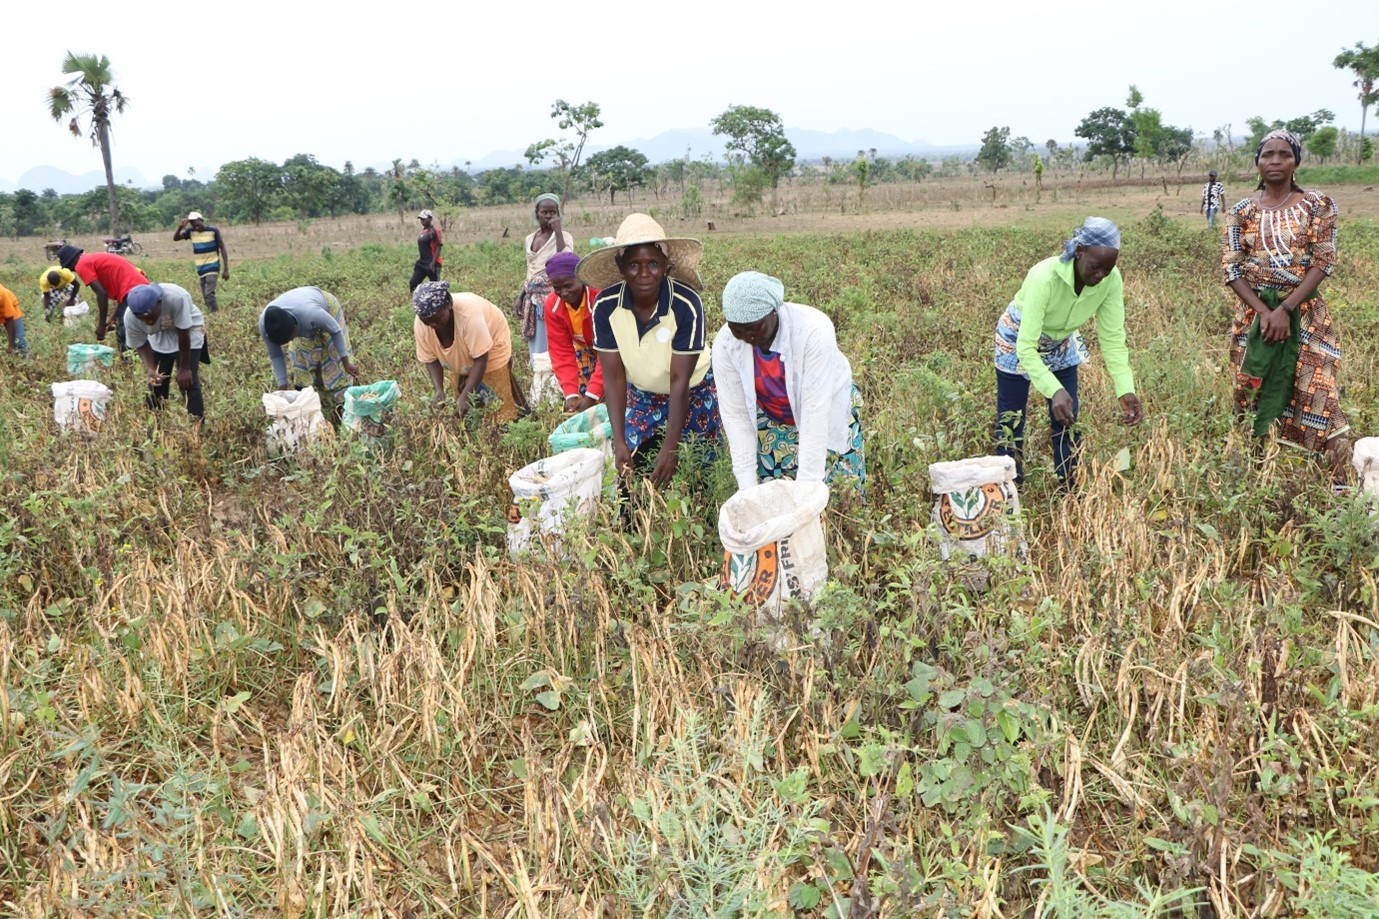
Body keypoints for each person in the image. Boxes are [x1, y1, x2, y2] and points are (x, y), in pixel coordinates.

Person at [1223, 129, 1350, 485]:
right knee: (1252, 394)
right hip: (1254, 319)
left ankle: (1342, 491)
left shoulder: (1317, 205)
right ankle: (1257, 481)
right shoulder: (1241, 211)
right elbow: (1231, 269)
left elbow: (1323, 261)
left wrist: (1286, 308)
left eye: (1284, 154)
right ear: (1257, 162)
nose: (1275, 161)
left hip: (1306, 317)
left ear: (1296, 161)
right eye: (1267, 155)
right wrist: (1266, 313)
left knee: (1321, 396)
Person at [992, 217, 1144, 486]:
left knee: (1067, 418)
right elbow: (1026, 348)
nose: (1101, 276)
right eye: (1095, 267)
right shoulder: (1044, 276)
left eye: (1108, 269)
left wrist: (1125, 388)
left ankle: (1069, 486)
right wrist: (1053, 389)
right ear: (1079, 251)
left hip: (1061, 341)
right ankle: (1009, 492)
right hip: (1018, 338)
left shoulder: (1110, 280)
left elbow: (1112, 338)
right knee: (1011, 421)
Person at [578, 213, 720, 487]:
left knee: (699, 471)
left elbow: (680, 381)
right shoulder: (606, 306)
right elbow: (614, 377)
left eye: (653, 263)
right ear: (620, 265)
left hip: (693, 393)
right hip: (642, 397)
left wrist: (671, 447)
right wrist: (619, 440)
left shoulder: (686, 304)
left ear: (667, 265)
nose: (644, 273)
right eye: (634, 264)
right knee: (631, 473)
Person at [711, 271, 865, 495]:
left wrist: (806, 493)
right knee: (774, 491)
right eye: (738, 330)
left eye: (755, 327)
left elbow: (815, 410)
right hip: (772, 412)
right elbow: (736, 416)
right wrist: (747, 490)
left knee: (837, 485)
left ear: (774, 312)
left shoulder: (813, 331)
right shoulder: (725, 344)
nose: (746, 337)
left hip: (827, 404)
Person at [412, 281, 527, 422]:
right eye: (427, 322)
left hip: (492, 338)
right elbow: (431, 359)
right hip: (464, 346)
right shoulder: (422, 322)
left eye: (438, 319)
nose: (433, 325)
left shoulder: (469, 316)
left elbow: (481, 360)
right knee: (463, 400)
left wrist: (466, 396)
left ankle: (510, 423)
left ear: (449, 305)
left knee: (496, 397)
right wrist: (439, 390)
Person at [258, 287, 360, 406]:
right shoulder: (266, 326)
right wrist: (282, 389)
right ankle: (309, 396)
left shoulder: (310, 314)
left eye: (290, 339)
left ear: (295, 329)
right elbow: (276, 356)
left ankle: (342, 402)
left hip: (326, 308)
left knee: (333, 355)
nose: (289, 341)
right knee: (300, 355)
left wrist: (346, 362)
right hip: (299, 308)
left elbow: (336, 331)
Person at [123, 283, 207, 419]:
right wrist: (150, 368)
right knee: (156, 383)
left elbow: (183, 333)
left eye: (150, 315)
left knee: (188, 383)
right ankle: (156, 423)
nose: (148, 321)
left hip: (188, 330)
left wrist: (184, 368)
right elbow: (141, 343)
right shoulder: (130, 317)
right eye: (142, 318)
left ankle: (197, 424)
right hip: (159, 333)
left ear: (159, 303)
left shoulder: (176, 298)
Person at [520, 193, 575, 396]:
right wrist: (522, 295)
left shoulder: (564, 237)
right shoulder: (530, 238)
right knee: (536, 343)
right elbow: (530, 270)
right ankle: (539, 389)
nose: (549, 216)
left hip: (552, 297)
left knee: (553, 343)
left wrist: (558, 231)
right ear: (537, 213)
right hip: (532, 298)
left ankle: (553, 390)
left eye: (553, 212)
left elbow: (565, 258)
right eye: (545, 212)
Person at [57, 244, 150, 351]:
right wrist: (113, 318)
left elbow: (101, 294)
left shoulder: (81, 264)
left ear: (71, 261)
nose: (72, 270)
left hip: (134, 290)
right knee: (136, 325)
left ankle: (128, 361)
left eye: (68, 267)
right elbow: (122, 296)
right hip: (141, 287)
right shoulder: (91, 258)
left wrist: (101, 325)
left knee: (124, 329)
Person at [543, 250, 603, 413]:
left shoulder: (600, 298)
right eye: (557, 288)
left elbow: (610, 351)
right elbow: (560, 351)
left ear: (581, 278)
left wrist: (592, 396)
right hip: (585, 348)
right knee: (581, 402)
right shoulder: (552, 305)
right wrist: (571, 394)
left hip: (610, 349)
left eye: (568, 286)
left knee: (611, 393)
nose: (563, 293)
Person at [172, 211, 229, 312]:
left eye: (196, 222)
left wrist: (226, 269)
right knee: (205, 296)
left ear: (201, 220)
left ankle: (215, 314)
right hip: (201, 268)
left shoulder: (213, 231)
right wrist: (180, 227)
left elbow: (222, 248)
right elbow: (176, 238)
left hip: (213, 266)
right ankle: (213, 313)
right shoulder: (191, 232)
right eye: (192, 223)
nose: (195, 225)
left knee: (208, 294)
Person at [410, 209, 443, 292]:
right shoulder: (423, 231)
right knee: (413, 283)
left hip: (432, 263)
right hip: (422, 262)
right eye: (421, 219)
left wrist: (433, 263)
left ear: (430, 219)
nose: (422, 221)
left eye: (424, 219)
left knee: (435, 287)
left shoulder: (434, 231)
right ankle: (417, 302)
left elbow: (439, 246)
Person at [0, 283, 28, 356]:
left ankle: (26, 359)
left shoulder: (2, 294)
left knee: (20, 342)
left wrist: (11, 345)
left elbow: (9, 320)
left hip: (11, 311)